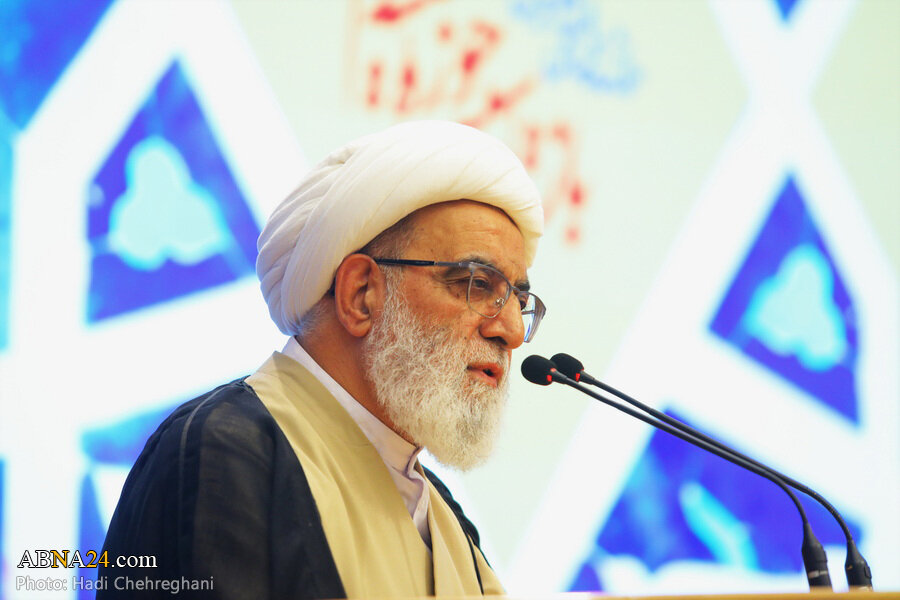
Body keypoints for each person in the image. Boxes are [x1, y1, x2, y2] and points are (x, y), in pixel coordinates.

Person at [99, 121, 545, 599]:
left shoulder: (445, 518)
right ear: (360, 294)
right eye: (476, 284)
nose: (512, 331)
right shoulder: (226, 453)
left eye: (519, 300)